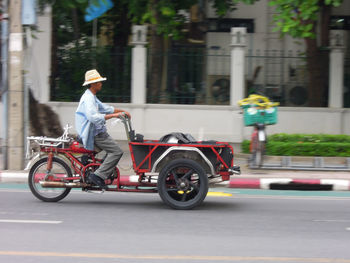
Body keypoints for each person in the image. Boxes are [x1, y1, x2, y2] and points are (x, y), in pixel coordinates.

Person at [75, 69, 130, 190]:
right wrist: (115, 116)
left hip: (98, 132)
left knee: (112, 149)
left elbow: (105, 108)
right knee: (117, 152)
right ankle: (98, 175)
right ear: (93, 84)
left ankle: (97, 167)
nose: (101, 83)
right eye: (99, 82)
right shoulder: (88, 98)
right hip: (94, 134)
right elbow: (92, 117)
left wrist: (121, 111)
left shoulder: (92, 97)